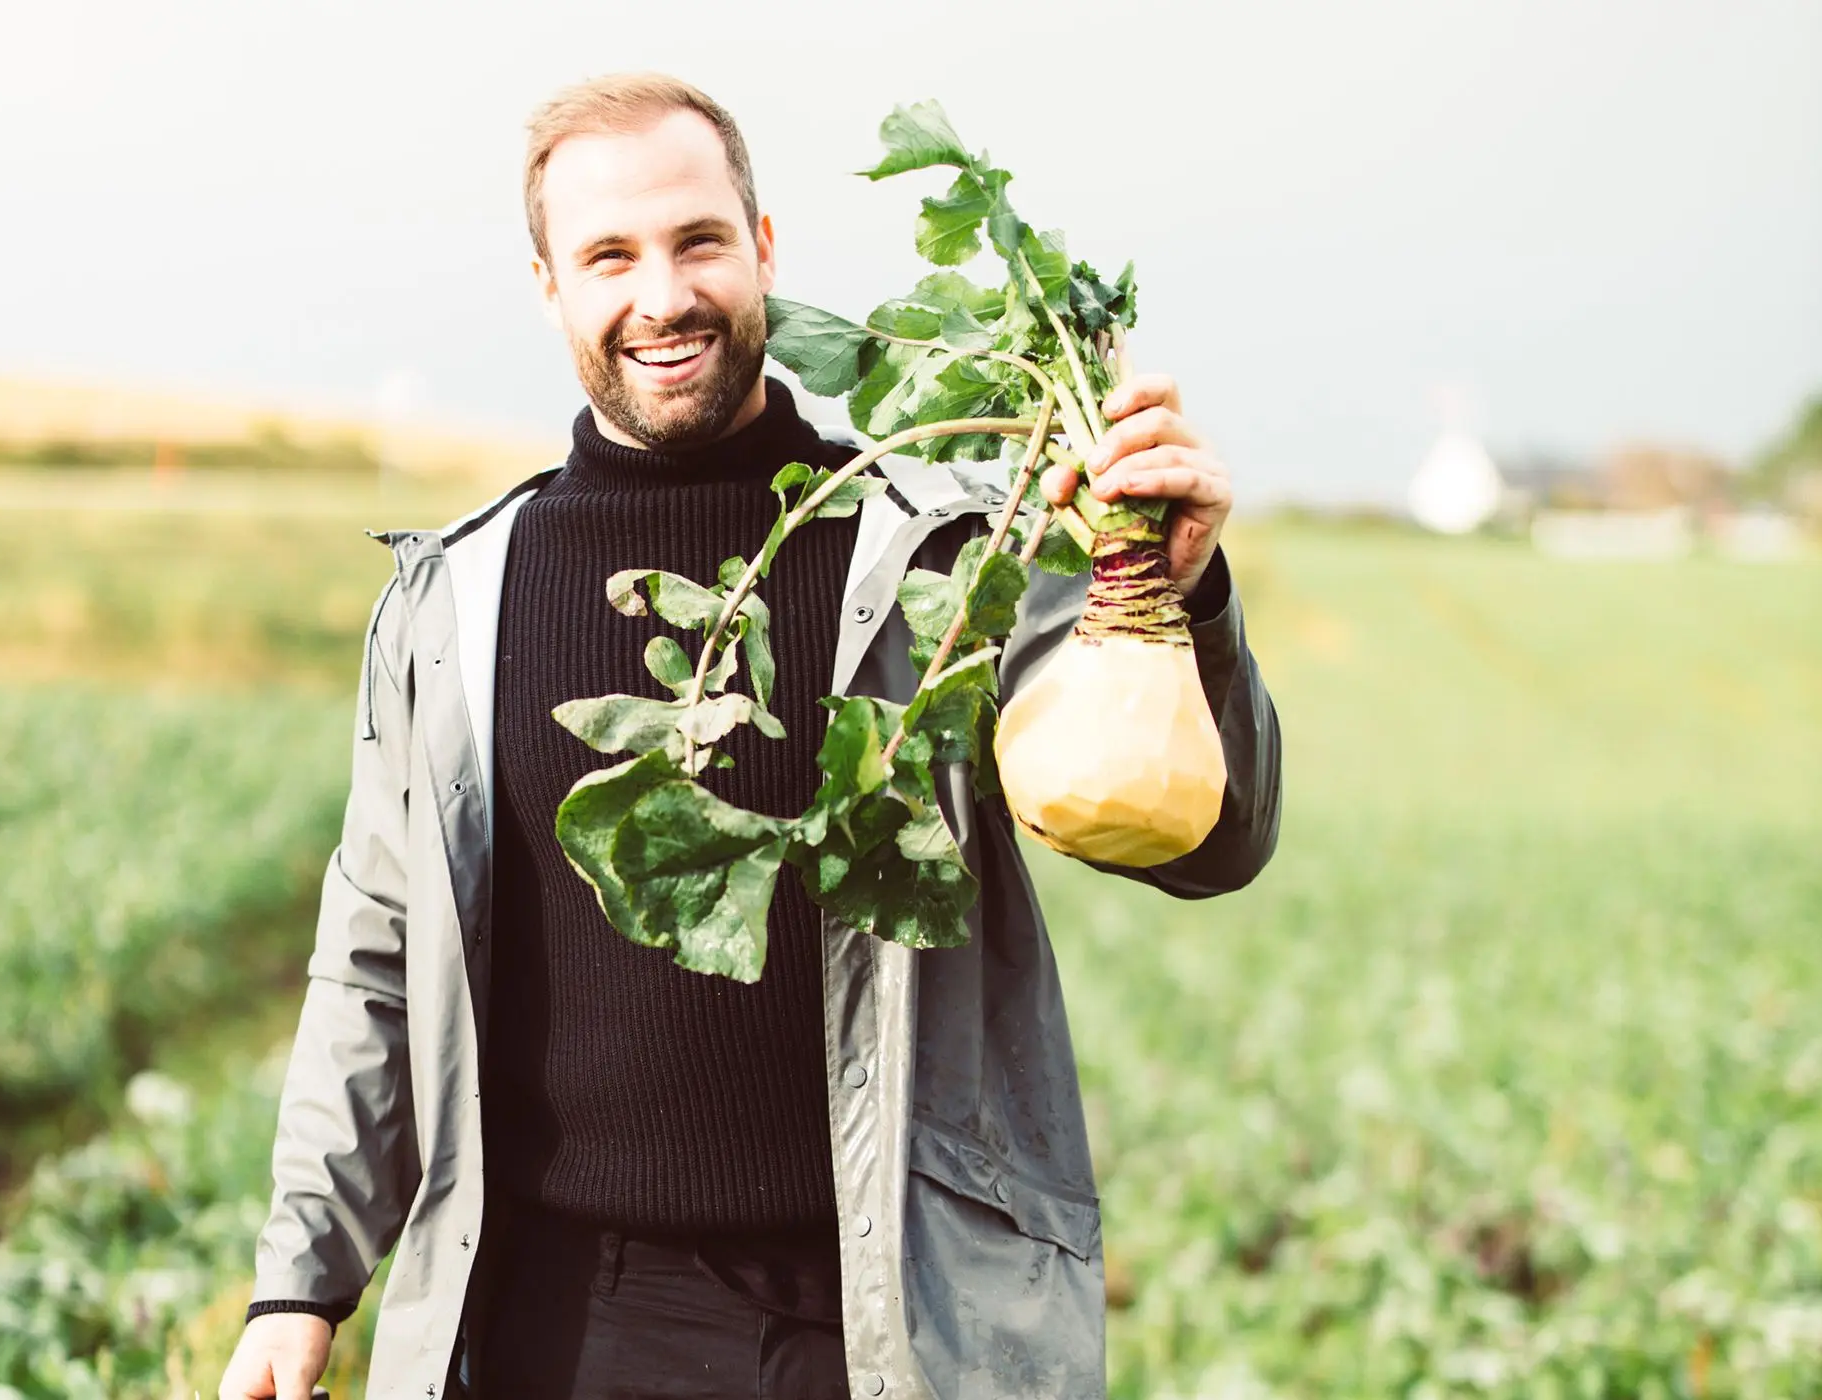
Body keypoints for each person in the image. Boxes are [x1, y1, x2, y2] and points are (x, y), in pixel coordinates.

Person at [220, 72, 1281, 1400]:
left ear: (764, 250)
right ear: (550, 286)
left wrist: (1173, 591)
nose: (660, 295)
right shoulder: (458, 601)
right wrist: (299, 1283)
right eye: (608, 255)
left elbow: (1210, 839)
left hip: (868, 1320)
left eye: (698, 241)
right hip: (550, 1326)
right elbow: (374, 961)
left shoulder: (950, 555)